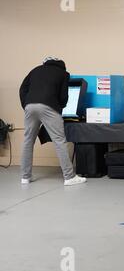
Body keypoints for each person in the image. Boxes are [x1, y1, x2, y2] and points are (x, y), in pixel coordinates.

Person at [19, 57, 86, 186]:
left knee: (28, 140)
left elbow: (23, 89)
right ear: (62, 66)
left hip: (30, 106)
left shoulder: (35, 70)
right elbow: (63, 97)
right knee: (59, 141)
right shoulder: (63, 74)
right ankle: (69, 177)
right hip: (49, 106)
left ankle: (25, 177)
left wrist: (26, 105)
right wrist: (59, 108)